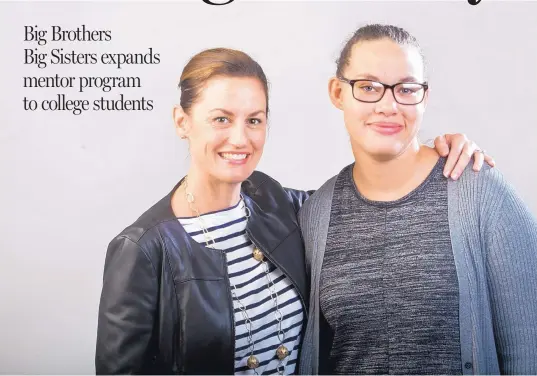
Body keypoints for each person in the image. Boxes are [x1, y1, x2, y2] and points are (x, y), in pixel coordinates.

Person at [95, 47, 495, 375]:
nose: (240, 137)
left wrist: (434, 153)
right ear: (182, 121)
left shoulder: (282, 205)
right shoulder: (142, 250)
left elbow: (368, 197)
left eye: (254, 120)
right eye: (221, 118)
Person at [298, 24, 537, 375]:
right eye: (368, 87)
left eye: (406, 89)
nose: (388, 105)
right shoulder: (315, 215)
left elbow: (529, 348)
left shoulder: (478, 192)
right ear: (338, 92)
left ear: (424, 97)